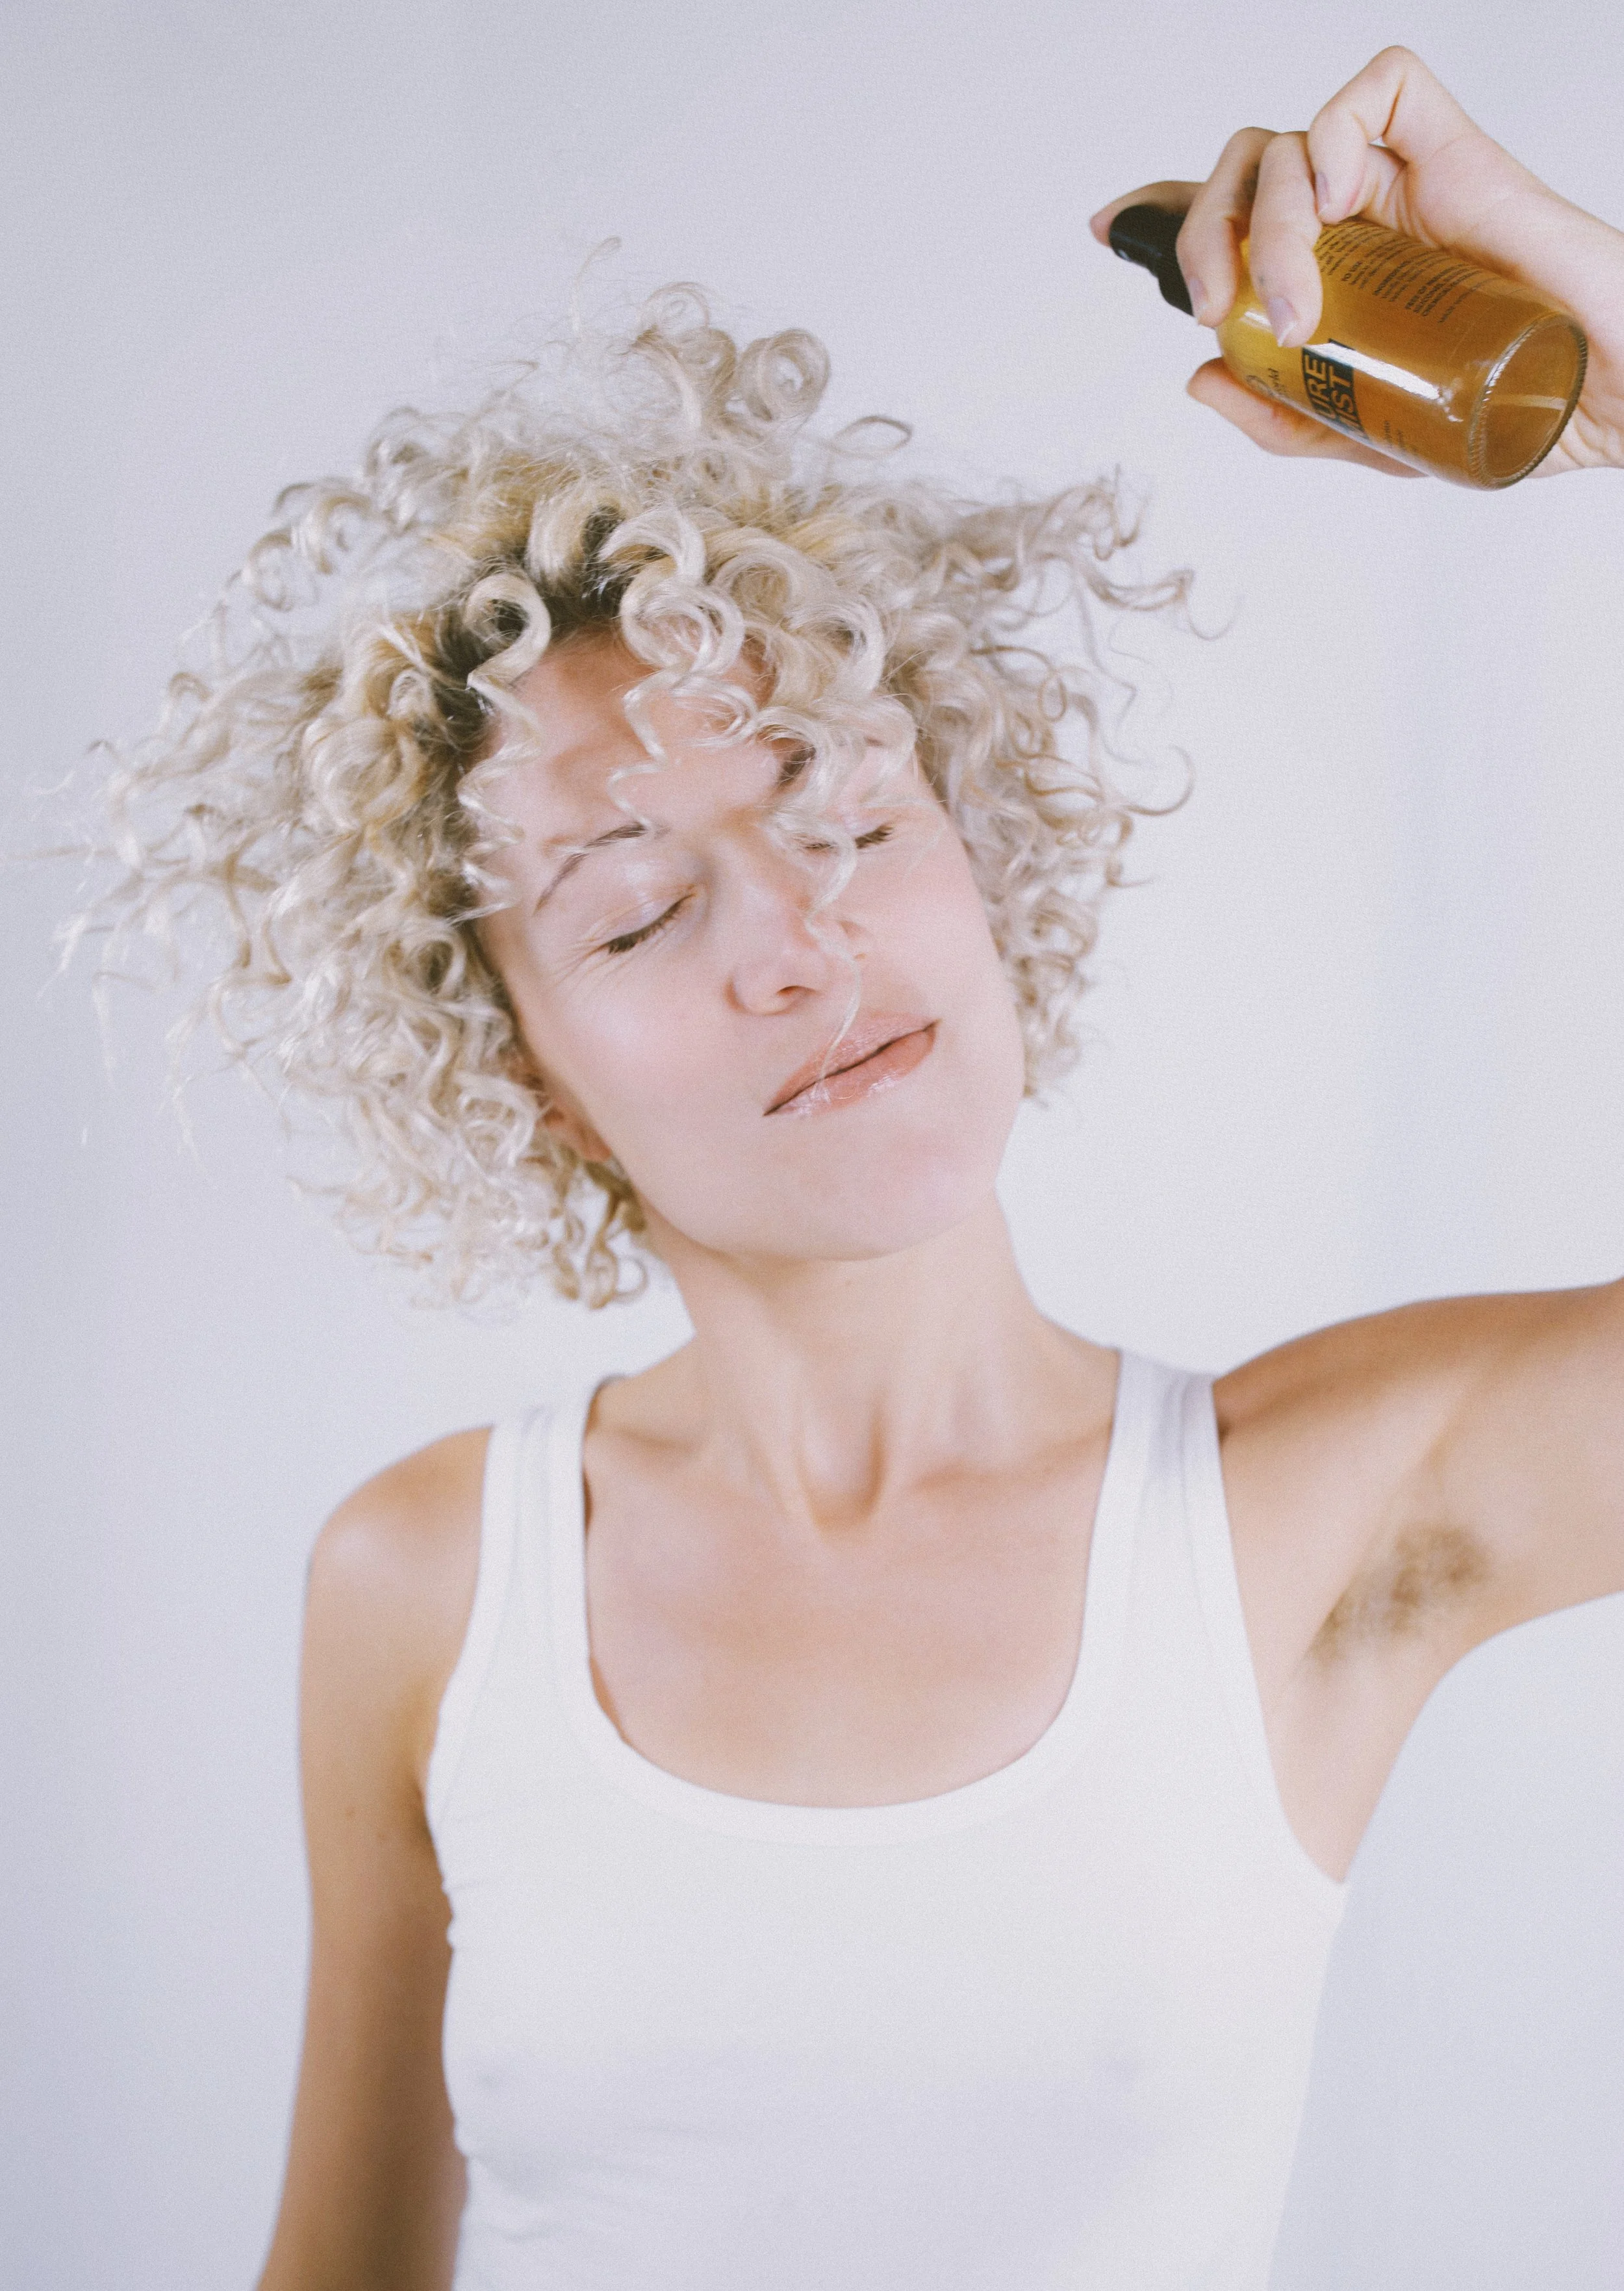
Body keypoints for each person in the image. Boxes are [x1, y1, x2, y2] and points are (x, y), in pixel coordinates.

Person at [86, 44, 1624, 2291]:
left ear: (978, 857)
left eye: (841, 808)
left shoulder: (1322, 1515)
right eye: (630, 909)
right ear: (519, 1072)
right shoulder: (427, 1582)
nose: (794, 936)